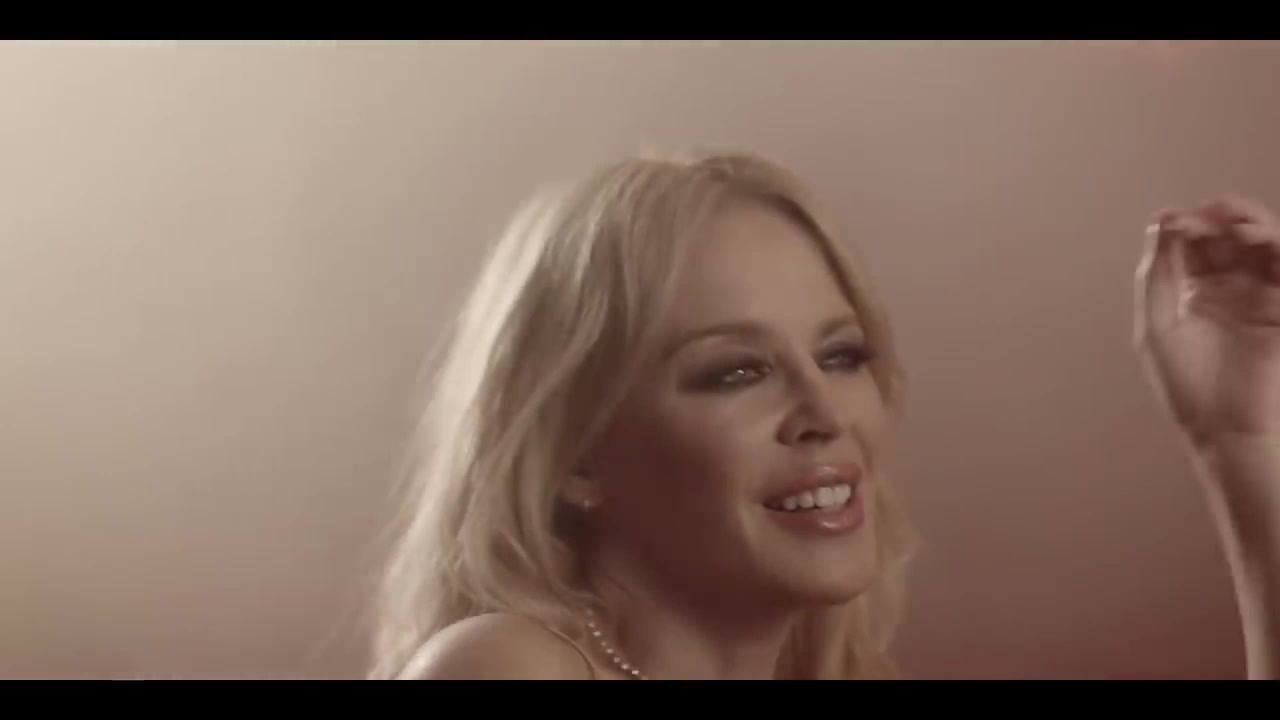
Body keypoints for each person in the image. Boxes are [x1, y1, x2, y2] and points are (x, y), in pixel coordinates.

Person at [368, 149, 1280, 680]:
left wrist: (1240, 443)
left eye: (842, 356)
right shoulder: (505, 667)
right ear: (575, 455)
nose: (823, 412)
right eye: (736, 371)